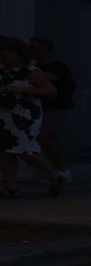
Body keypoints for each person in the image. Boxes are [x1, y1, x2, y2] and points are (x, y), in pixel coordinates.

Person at [0, 37, 65, 198]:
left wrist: (22, 91)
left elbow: (51, 91)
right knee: (6, 151)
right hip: (5, 115)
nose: (3, 54)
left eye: (8, 51)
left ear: (19, 53)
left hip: (25, 117)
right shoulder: (2, 71)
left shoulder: (31, 71)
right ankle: (11, 188)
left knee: (26, 150)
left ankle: (54, 176)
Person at [27, 37, 75, 183]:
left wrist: (52, 85)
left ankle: (62, 171)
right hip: (40, 108)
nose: (30, 50)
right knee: (42, 138)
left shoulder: (59, 67)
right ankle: (54, 171)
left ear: (45, 49)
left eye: (34, 47)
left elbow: (71, 87)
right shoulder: (33, 68)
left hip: (57, 107)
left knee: (45, 137)